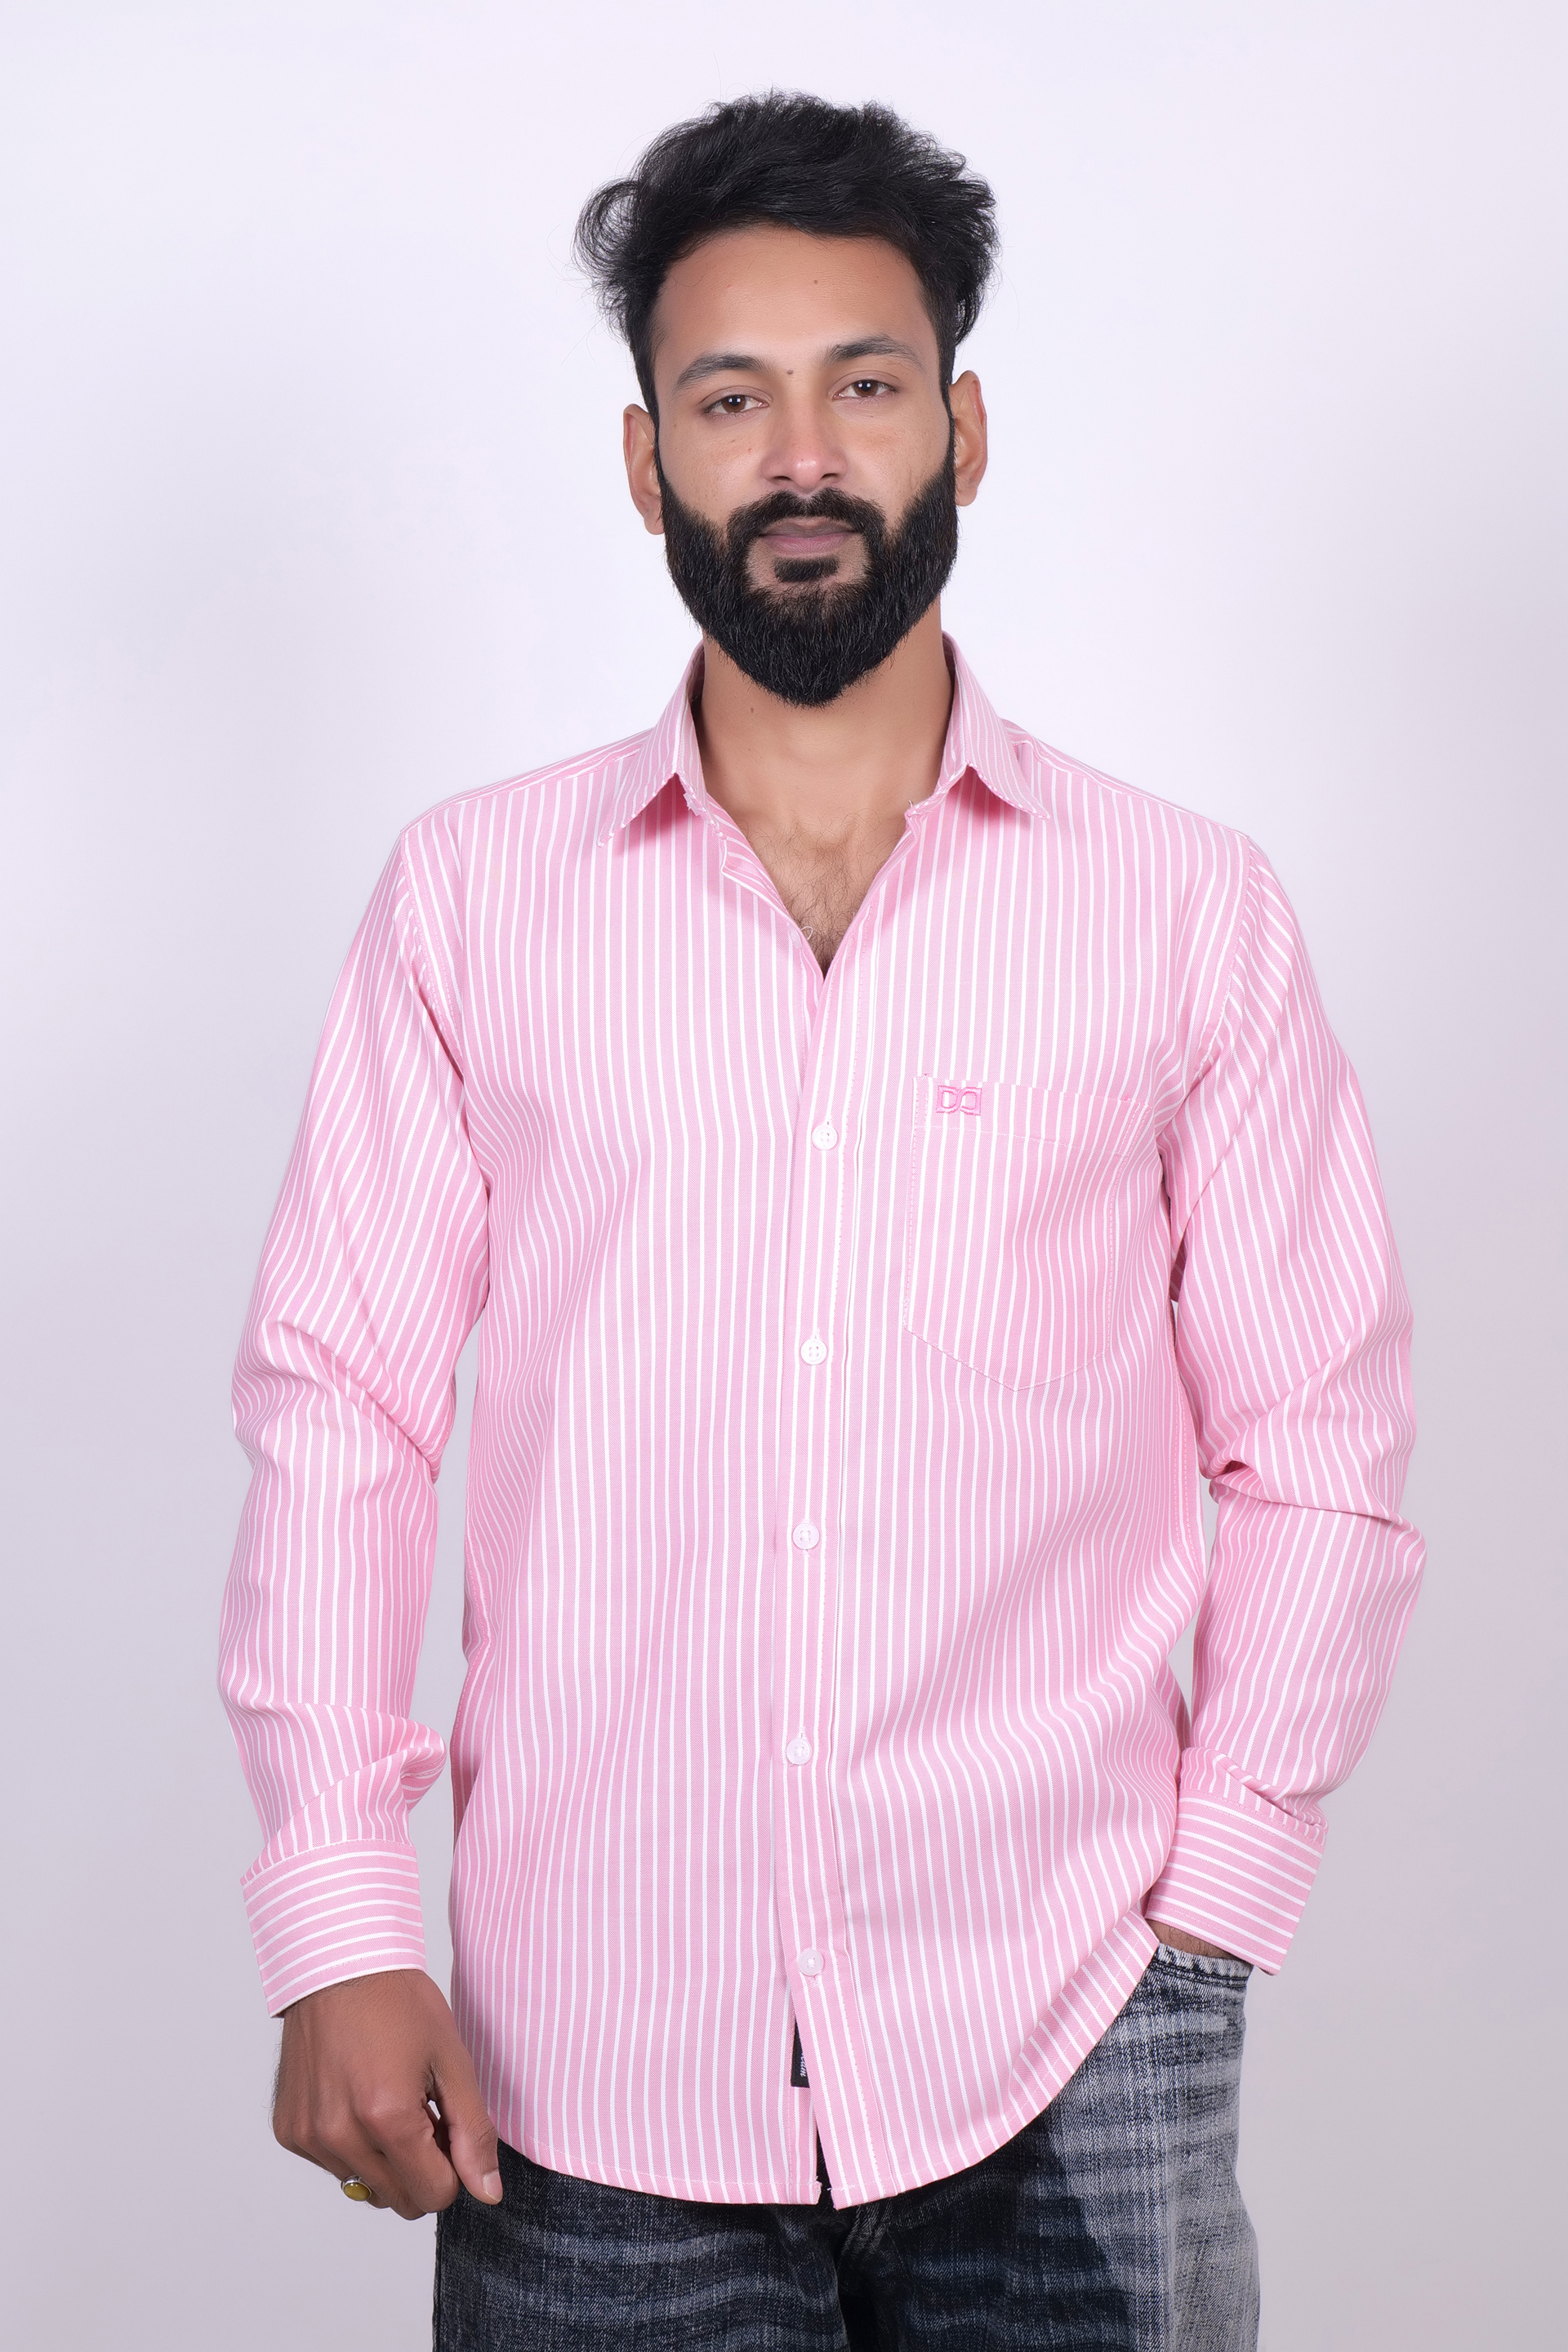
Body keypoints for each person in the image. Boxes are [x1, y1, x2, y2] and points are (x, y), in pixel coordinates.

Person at [220, 92, 1423, 2350]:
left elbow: (1318, 1445)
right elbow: (341, 1414)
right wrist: (340, 1919)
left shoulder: (1185, 913)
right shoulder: (473, 902)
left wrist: (1214, 1911)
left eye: (864, 385)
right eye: (727, 399)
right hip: (583, 2059)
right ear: (643, 460)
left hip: (1077, 2027)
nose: (800, 458)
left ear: (962, 425)